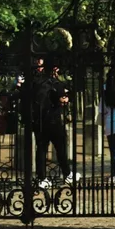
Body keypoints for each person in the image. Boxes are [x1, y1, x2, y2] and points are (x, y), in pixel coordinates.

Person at [33, 60, 73, 189]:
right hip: (54, 120)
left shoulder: (37, 82)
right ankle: (67, 174)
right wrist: (65, 98)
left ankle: (42, 178)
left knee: (41, 150)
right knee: (60, 149)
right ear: (55, 69)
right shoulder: (55, 83)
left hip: (39, 121)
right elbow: (62, 98)